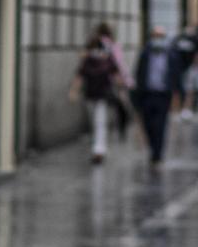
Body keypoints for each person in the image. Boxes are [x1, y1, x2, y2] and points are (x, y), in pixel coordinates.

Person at [131, 27, 184, 167]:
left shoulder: (171, 55)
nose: (158, 39)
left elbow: (176, 77)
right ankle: (153, 148)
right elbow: (138, 73)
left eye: (160, 36)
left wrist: (177, 97)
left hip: (163, 95)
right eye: (155, 36)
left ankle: (157, 155)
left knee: (160, 125)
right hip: (147, 94)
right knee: (148, 124)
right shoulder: (145, 54)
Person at [70, 36, 124, 165]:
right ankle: (99, 148)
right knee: (98, 122)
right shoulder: (100, 59)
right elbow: (117, 76)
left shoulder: (90, 60)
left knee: (98, 122)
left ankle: (99, 149)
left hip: (97, 96)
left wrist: (74, 91)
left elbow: (80, 76)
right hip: (96, 95)